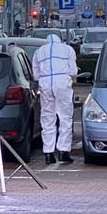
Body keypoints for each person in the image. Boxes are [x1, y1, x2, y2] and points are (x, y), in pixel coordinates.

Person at [32, 33, 80, 164]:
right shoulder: (67, 49)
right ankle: (63, 151)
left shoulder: (39, 52)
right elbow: (74, 71)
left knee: (47, 118)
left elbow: (35, 74)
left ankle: (48, 153)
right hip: (62, 82)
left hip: (45, 83)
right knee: (65, 117)